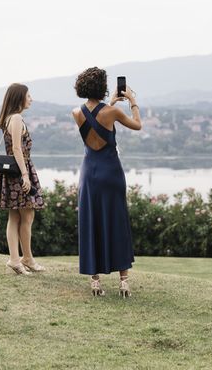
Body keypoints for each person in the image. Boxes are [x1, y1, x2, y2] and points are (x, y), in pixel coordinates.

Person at [71, 67, 142, 297]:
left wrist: (111, 102)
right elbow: (137, 125)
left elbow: (96, 117)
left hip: (89, 173)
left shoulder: (76, 112)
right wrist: (132, 101)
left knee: (92, 221)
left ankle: (95, 282)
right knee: (117, 221)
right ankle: (123, 283)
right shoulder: (113, 113)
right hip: (111, 172)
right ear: (102, 87)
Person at [0, 83, 45, 275]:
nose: (31, 99)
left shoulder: (10, 118)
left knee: (17, 216)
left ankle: (22, 258)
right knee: (26, 215)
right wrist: (24, 175)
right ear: (19, 98)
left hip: (15, 171)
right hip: (19, 171)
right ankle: (19, 259)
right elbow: (16, 148)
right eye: (28, 95)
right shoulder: (16, 118)